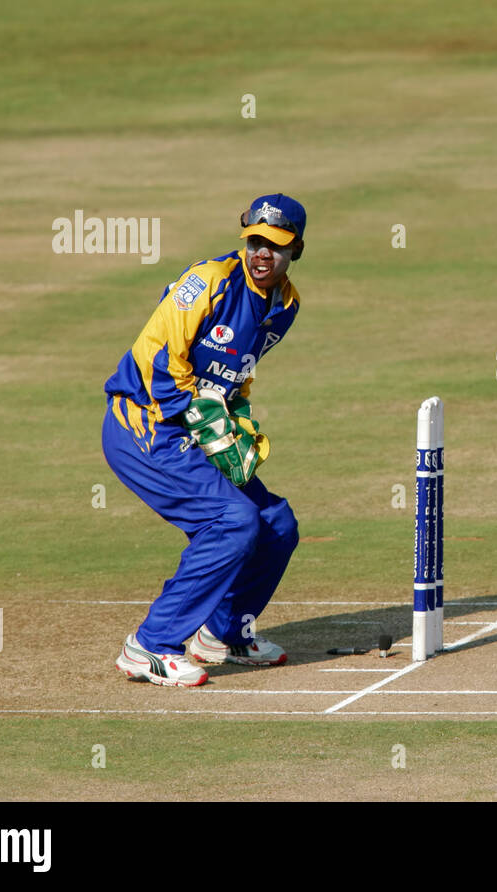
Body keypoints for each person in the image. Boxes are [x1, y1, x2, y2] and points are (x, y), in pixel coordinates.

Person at [104, 194, 307, 686]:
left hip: (194, 423)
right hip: (145, 422)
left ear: (295, 250)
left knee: (275, 523)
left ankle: (223, 633)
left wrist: (235, 419)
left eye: (275, 246)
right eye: (255, 242)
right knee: (231, 521)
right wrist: (203, 422)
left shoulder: (285, 305)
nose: (262, 254)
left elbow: (237, 370)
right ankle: (150, 646)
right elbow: (155, 357)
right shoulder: (208, 281)